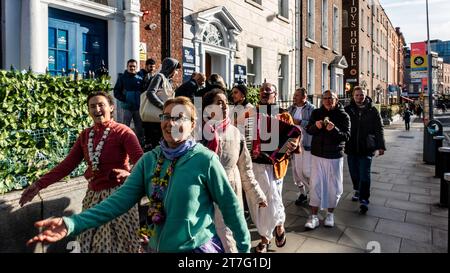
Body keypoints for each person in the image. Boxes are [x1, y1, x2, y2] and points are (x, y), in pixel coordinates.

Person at [26, 97, 251, 253]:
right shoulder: (150, 161)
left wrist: (244, 249)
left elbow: (231, 208)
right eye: (166, 116)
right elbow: (117, 202)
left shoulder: (205, 160)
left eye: (179, 117)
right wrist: (71, 223)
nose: (170, 123)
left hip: (197, 250)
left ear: (192, 125)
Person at [20, 91, 143, 253]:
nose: (97, 109)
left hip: (119, 197)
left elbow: (142, 163)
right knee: (87, 244)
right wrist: (38, 185)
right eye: (92, 106)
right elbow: (66, 166)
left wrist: (128, 175)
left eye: (101, 105)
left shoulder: (124, 132)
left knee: (118, 246)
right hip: (92, 197)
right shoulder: (85, 135)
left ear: (111, 108)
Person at [201, 89, 267, 253]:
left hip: (229, 191)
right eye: (219, 102)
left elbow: (246, 169)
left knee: (229, 241)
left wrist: (257, 194)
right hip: (203, 193)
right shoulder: (197, 133)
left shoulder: (236, 133)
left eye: (226, 102)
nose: (224, 106)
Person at [249, 82, 300, 253]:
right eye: (262, 90)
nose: (264, 93)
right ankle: (273, 229)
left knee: (274, 198)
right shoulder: (251, 113)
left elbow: (294, 137)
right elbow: (243, 136)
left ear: (275, 95)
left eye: (268, 91)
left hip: (276, 165)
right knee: (260, 201)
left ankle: (268, 236)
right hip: (256, 164)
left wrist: (292, 145)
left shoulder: (284, 116)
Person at [304, 90, 350, 230]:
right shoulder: (316, 113)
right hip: (317, 154)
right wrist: (316, 127)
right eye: (325, 98)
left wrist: (334, 129)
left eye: (331, 98)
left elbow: (346, 136)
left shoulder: (343, 115)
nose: (328, 100)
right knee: (315, 184)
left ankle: (330, 214)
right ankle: (313, 217)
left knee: (334, 187)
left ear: (336, 100)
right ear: (322, 100)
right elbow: (309, 130)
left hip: (334, 156)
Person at [345, 86, 386, 214]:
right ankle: (357, 189)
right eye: (357, 95)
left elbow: (379, 128)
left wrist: (381, 146)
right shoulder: (347, 109)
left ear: (366, 95)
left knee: (365, 175)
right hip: (351, 147)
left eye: (361, 95)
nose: (359, 97)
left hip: (366, 148)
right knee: (354, 173)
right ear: (353, 96)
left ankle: (364, 200)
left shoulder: (373, 110)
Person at [142, 57, 181, 151]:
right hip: (155, 118)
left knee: (162, 141)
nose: (176, 72)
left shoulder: (167, 80)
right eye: (176, 70)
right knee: (156, 143)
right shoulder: (159, 76)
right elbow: (150, 93)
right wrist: (163, 106)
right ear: (170, 68)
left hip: (162, 116)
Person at [287, 87, 315, 206]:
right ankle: (302, 193)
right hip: (293, 143)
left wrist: (300, 122)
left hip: (306, 144)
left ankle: (314, 193)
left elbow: (314, 125)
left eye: (297, 95)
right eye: (294, 95)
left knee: (306, 171)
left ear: (304, 97)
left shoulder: (312, 109)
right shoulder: (290, 108)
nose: (294, 97)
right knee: (296, 172)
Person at [113, 59, 144, 146]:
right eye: (130, 66)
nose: (132, 68)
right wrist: (125, 99)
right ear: (127, 67)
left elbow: (143, 91)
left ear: (136, 67)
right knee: (124, 126)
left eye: (134, 66)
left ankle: (140, 145)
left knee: (139, 128)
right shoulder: (122, 78)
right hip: (126, 107)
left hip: (138, 107)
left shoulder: (140, 78)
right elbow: (116, 91)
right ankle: (122, 144)